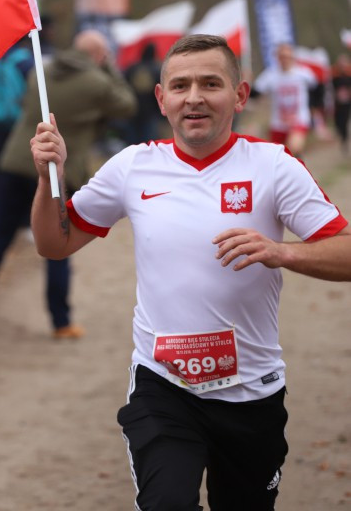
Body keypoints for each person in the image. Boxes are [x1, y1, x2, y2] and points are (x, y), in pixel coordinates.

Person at [29, 34, 351, 510]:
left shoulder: (274, 166)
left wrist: (281, 252)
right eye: (180, 86)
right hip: (164, 386)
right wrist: (46, 178)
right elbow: (53, 242)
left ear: (239, 96)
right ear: (162, 99)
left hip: (252, 392)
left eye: (210, 83)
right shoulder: (133, 167)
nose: (194, 97)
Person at [0, 30, 136, 337]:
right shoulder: (97, 83)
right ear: (99, 55)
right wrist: (108, 68)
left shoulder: (40, 72)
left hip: (16, 158)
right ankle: (61, 321)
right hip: (55, 167)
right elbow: (127, 105)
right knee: (57, 241)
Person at [253, 42, 318, 156]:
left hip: (299, 120)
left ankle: (297, 167)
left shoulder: (304, 73)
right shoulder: (270, 75)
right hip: (278, 123)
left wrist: (315, 112)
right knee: (277, 156)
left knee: (292, 149)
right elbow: (254, 93)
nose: (285, 59)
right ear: (277, 57)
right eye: (281, 56)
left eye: (287, 56)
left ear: (292, 57)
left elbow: (317, 90)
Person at [122, 42, 164, 144]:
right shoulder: (158, 69)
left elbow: (123, 86)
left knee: (131, 145)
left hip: (132, 111)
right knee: (148, 145)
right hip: (150, 113)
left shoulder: (132, 68)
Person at [332, 53, 351, 155]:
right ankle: (341, 134)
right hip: (337, 103)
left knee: (345, 121)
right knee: (338, 122)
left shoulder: (349, 75)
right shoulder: (335, 76)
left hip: (347, 103)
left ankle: (345, 140)